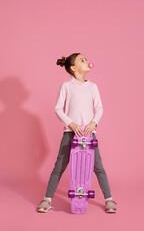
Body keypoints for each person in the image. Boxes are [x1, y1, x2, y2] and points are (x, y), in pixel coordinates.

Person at [36, 53, 118, 213]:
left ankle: (109, 199)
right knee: (59, 166)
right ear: (74, 68)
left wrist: (93, 123)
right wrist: (71, 124)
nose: (87, 61)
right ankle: (47, 199)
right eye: (82, 60)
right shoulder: (66, 86)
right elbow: (58, 108)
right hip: (70, 134)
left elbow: (99, 108)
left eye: (86, 59)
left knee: (98, 166)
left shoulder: (93, 87)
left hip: (88, 134)